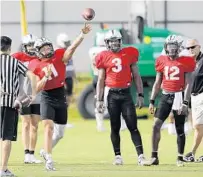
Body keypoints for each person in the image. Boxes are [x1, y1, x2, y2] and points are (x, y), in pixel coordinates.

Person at [29, 23, 91, 171]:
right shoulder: (35, 64)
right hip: (47, 97)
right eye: (43, 48)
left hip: (60, 95)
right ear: (38, 51)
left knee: (60, 133)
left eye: (48, 46)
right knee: (48, 127)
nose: (47, 49)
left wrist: (82, 35)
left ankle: (45, 151)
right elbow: (36, 89)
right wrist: (46, 77)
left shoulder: (58, 56)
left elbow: (72, 48)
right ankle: (49, 159)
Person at [95, 30, 149, 165]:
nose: (114, 43)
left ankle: (141, 156)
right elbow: (101, 79)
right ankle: (118, 156)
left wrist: (140, 94)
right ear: (107, 43)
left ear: (120, 41)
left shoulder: (129, 53)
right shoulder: (103, 56)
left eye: (116, 40)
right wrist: (99, 100)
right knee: (115, 127)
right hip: (112, 95)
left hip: (126, 94)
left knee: (133, 126)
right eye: (111, 41)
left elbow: (136, 76)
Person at [148, 35, 196, 166]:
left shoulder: (186, 61)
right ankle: (154, 156)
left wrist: (186, 102)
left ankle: (180, 158)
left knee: (179, 128)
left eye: (174, 46)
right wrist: (152, 100)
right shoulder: (161, 60)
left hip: (179, 96)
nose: (171, 49)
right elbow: (157, 83)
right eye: (169, 46)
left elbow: (188, 84)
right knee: (155, 125)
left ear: (179, 47)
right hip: (165, 96)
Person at [0, 36, 37, 176]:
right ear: (9, 48)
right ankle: (3, 169)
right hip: (10, 103)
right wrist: (32, 95)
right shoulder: (15, 62)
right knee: (6, 137)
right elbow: (32, 76)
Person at [12, 34, 42, 164]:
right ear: (24, 46)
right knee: (25, 123)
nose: (31, 48)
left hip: (37, 94)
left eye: (32, 44)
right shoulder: (17, 57)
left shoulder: (40, 58)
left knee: (35, 125)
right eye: (28, 45)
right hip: (23, 94)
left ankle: (31, 154)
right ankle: (26, 153)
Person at [89, 32, 127, 132]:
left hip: (96, 77)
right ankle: (119, 122)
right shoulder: (104, 52)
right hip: (105, 78)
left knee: (99, 100)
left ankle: (100, 123)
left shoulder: (92, 50)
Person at [184, 39, 203, 162]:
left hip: (202, 95)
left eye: (193, 47)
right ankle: (193, 153)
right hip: (193, 97)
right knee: (197, 126)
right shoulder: (190, 62)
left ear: (199, 47)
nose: (190, 50)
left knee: (198, 125)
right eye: (188, 48)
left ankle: (192, 152)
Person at [56, 33, 76, 128]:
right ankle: (59, 121)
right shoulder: (58, 52)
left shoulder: (68, 51)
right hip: (62, 79)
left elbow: (71, 65)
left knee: (68, 98)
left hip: (69, 78)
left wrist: (74, 77)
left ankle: (64, 120)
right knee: (62, 100)